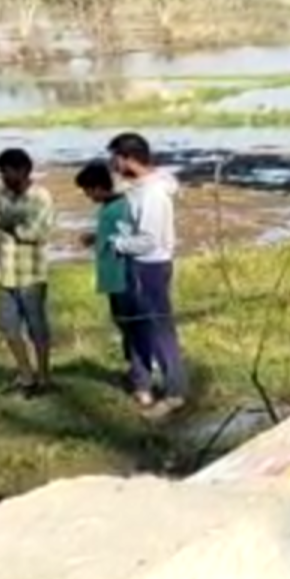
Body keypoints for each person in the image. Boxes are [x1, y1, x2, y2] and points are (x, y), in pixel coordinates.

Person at [106, 132, 186, 415]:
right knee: (136, 325)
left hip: (148, 265)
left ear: (128, 158)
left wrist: (115, 243)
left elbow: (149, 239)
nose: (112, 164)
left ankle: (174, 391)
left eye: (115, 157)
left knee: (160, 329)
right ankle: (142, 384)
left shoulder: (152, 194)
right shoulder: (139, 185)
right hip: (138, 264)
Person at [0, 147, 56, 395]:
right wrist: (10, 225)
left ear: (24, 171)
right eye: (1, 173)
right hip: (3, 274)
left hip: (31, 275)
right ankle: (26, 374)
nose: (3, 178)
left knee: (37, 328)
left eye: (7, 172)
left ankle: (45, 377)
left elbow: (37, 234)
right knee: (8, 327)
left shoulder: (40, 197)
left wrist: (9, 225)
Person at [76, 162, 150, 396]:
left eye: (87, 191)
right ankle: (136, 371)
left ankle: (142, 381)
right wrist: (96, 237)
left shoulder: (119, 207)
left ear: (98, 187)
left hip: (123, 278)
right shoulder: (109, 206)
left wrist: (107, 241)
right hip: (113, 278)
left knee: (132, 326)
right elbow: (113, 234)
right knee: (124, 324)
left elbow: (128, 238)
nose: (87, 196)